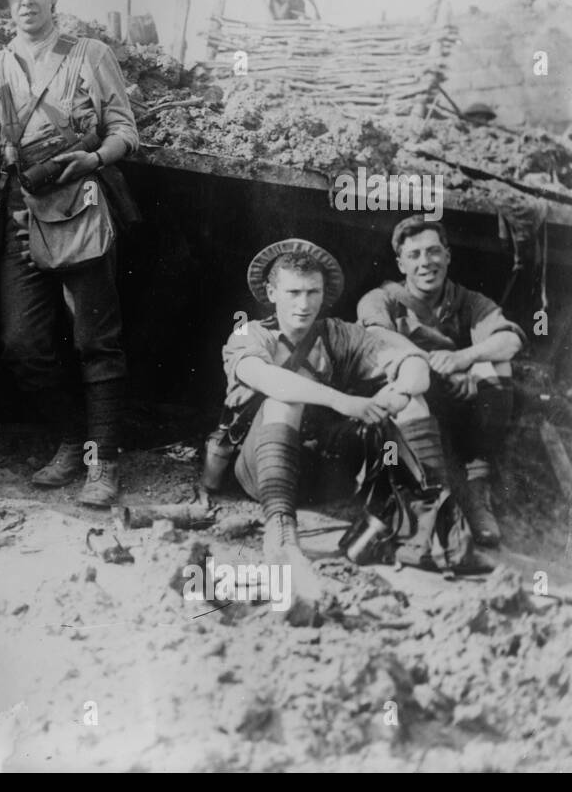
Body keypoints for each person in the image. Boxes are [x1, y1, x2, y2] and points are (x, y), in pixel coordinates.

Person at [0, 0, 140, 507]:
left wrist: (94, 160)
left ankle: (102, 463)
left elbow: (123, 129)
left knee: (96, 339)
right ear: (5, 6)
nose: (25, 2)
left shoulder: (89, 54)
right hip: (21, 212)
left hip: (82, 203)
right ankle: (71, 441)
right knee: (22, 344)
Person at [221, 239, 445, 607]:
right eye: (293, 292)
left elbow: (414, 364)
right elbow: (265, 378)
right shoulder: (249, 334)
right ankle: (280, 532)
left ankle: (434, 522)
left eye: (313, 292)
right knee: (285, 397)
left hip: (330, 474)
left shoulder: (338, 334)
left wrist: (398, 391)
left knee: (411, 400)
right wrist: (343, 401)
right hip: (265, 471)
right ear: (271, 292)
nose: (304, 303)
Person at [357, 218, 523, 546]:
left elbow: (510, 339)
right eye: (415, 254)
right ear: (401, 263)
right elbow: (377, 334)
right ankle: (436, 502)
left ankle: (478, 490)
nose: (425, 262)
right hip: (405, 406)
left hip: (455, 406)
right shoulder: (382, 299)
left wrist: (465, 361)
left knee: (497, 363)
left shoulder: (467, 300)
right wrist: (439, 367)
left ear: (447, 256)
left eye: (434, 252)